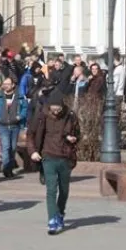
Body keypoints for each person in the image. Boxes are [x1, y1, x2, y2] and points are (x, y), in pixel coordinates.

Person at [27, 90, 80, 235]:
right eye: (53, 108)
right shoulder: (41, 116)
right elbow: (31, 134)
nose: (56, 111)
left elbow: (77, 134)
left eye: (58, 108)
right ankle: (52, 220)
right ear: (49, 106)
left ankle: (60, 213)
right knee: (51, 189)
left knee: (64, 190)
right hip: (48, 156)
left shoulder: (70, 116)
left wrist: (72, 138)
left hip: (65, 157)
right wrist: (33, 152)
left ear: (63, 106)